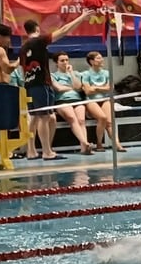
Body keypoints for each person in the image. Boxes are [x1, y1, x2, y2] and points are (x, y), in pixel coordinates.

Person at [16, 9, 96, 159]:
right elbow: (64, 30)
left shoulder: (23, 48)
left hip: (29, 85)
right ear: (37, 29)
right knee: (44, 117)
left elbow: (22, 70)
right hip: (41, 83)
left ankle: (31, 150)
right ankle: (47, 151)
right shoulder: (39, 41)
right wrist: (81, 17)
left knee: (34, 117)